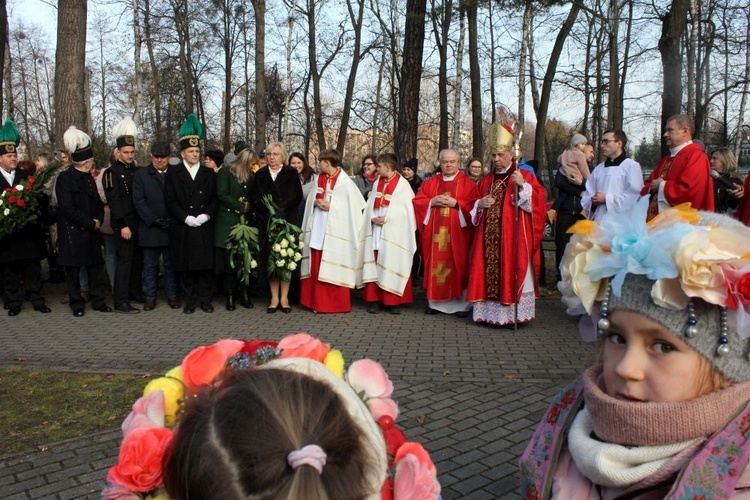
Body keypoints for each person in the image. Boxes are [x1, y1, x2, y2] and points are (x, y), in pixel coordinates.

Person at [520, 201, 750, 498]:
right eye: (617, 337)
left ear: (728, 366)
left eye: (662, 345)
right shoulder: (563, 436)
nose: (626, 368)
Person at [467, 124, 546, 326]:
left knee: (511, 269)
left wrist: (524, 187)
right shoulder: (486, 180)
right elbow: (472, 205)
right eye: (493, 155)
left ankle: (513, 316)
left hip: (512, 240)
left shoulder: (524, 176)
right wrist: (479, 204)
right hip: (487, 241)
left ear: (512, 154)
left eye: (500, 155)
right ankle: (488, 314)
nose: (496, 159)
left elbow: (538, 203)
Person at [413, 148, 479, 317]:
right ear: (439, 163)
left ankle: (461, 306)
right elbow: (418, 202)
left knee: (459, 266)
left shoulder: (468, 184)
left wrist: (457, 203)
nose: (448, 165)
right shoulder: (430, 183)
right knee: (435, 266)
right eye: (445, 162)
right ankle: (434, 303)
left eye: (452, 162)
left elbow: (475, 207)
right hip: (435, 237)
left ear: (458, 163)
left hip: (458, 236)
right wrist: (431, 201)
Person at [55, 126, 112, 317]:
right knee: (73, 271)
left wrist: (98, 219)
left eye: (90, 161)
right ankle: (77, 303)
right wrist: (90, 222)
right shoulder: (65, 179)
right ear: (80, 162)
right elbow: (67, 207)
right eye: (87, 162)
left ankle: (98, 300)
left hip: (91, 231)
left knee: (95, 267)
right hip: (74, 231)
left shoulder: (88, 178)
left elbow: (97, 201)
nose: (90, 165)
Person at [300, 148, 366, 313]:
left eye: (320, 161)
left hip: (336, 233)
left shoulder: (345, 183)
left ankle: (334, 305)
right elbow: (310, 200)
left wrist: (332, 206)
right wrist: (315, 202)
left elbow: (355, 209)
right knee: (315, 264)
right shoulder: (319, 179)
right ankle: (314, 302)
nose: (318, 164)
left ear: (327, 163)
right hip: (317, 228)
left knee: (333, 267)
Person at [165, 114, 217, 314]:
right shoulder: (174, 173)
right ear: (183, 153)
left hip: (203, 225)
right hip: (183, 225)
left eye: (197, 151)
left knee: (204, 266)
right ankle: (189, 300)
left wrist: (206, 216)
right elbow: (170, 200)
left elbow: (214, 199)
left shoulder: (207, 173)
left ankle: (205, 300)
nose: (195, 154)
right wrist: (185, 217)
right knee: (186, 266)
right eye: (191, 151)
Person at [0, 120, 51, 315]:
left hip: (29, 234)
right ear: (0, 158)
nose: (13, 159)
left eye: (15, 155)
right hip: (8, 236)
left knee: (33, 269)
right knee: (10, 271)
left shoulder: (27, 176)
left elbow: (40, 198)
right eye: (9, 156)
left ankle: (38, 301)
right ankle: (14, 303)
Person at [357, 152, 417, 314]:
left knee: (392, 261)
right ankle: (375, 300)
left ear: (388, 167)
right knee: (375, 263)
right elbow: (370, 203)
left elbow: (407, 211)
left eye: (379, 166)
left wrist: (388, 218)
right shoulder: (378, 182)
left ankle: (392, 301)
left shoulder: (402, 185)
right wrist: (371, 217)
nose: (377, 169)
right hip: (376, 229)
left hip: (393, 232)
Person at [249, 142, 303, 314]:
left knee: (285, 258)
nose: (272, 157)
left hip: (287, 220)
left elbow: (297, 195)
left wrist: (282, 209)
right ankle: (274, 298)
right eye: (269, 154)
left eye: (276, 154)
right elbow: (255, 197)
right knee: (271, 260)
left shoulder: (291, 172)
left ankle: (285, 298)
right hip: (267, 222)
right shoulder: (261, 174)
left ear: (283, 156)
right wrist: (269, 211)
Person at [133, 141, 180, 311]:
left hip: (171, 226)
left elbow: (180, 198)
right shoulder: (141, 174)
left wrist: (173, 218)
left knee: (171, 264)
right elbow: (138, 201)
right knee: (150, 265)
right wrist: (153, 220)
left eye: (163, 157)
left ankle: (172, 295)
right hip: (150, 228)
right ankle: (150, 297)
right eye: (156, 157)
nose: (160, 160)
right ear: (151, 156)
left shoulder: (175, 173)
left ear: (169, 157)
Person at [103, 116, 143, 313]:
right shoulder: (111, 173)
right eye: (126, 152)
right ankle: (120, 300)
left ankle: (134, 292)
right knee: (124, 261)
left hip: (137, 223)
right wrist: (123, 225)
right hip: (124, 224)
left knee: (136, 260)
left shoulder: (135, 170)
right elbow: (114, 201)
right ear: (117, 153)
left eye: (132, 152)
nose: (129, 155)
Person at [642, 114, 714, 220]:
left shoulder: (696, 156)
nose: (665, 134)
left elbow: (690, 192)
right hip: (659, 224)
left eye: (670, 130)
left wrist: (661, 186)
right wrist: (652, 187)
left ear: (685, 131)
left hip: (684, 226)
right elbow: (649, 183)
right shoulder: (666, 159)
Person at [215, 149, 256, 311]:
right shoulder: (225, 173)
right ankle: (230, 296)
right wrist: (240, 206)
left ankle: (245, 294)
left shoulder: (251, 177)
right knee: (229, 262)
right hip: (228, 222)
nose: (254, 167)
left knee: (245, 260)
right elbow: (222, 194)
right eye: (252, 163)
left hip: (245, 223)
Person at [581, 129, 643, 222]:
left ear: (619, 143)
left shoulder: (631, 166)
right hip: (599, 223)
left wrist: (606, 198)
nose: (602, 145)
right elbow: (587, 195)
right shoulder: (598, 169)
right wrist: (593, 200)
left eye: (606, 141)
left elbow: (634, 198)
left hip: (621, 224)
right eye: (602, 142)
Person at [709, 147, 743, 214]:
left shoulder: (734, 181)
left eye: (714, 158)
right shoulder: (710, 177)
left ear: (725, 160)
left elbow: (733, 207)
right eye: (711, 158)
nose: (711, 161)